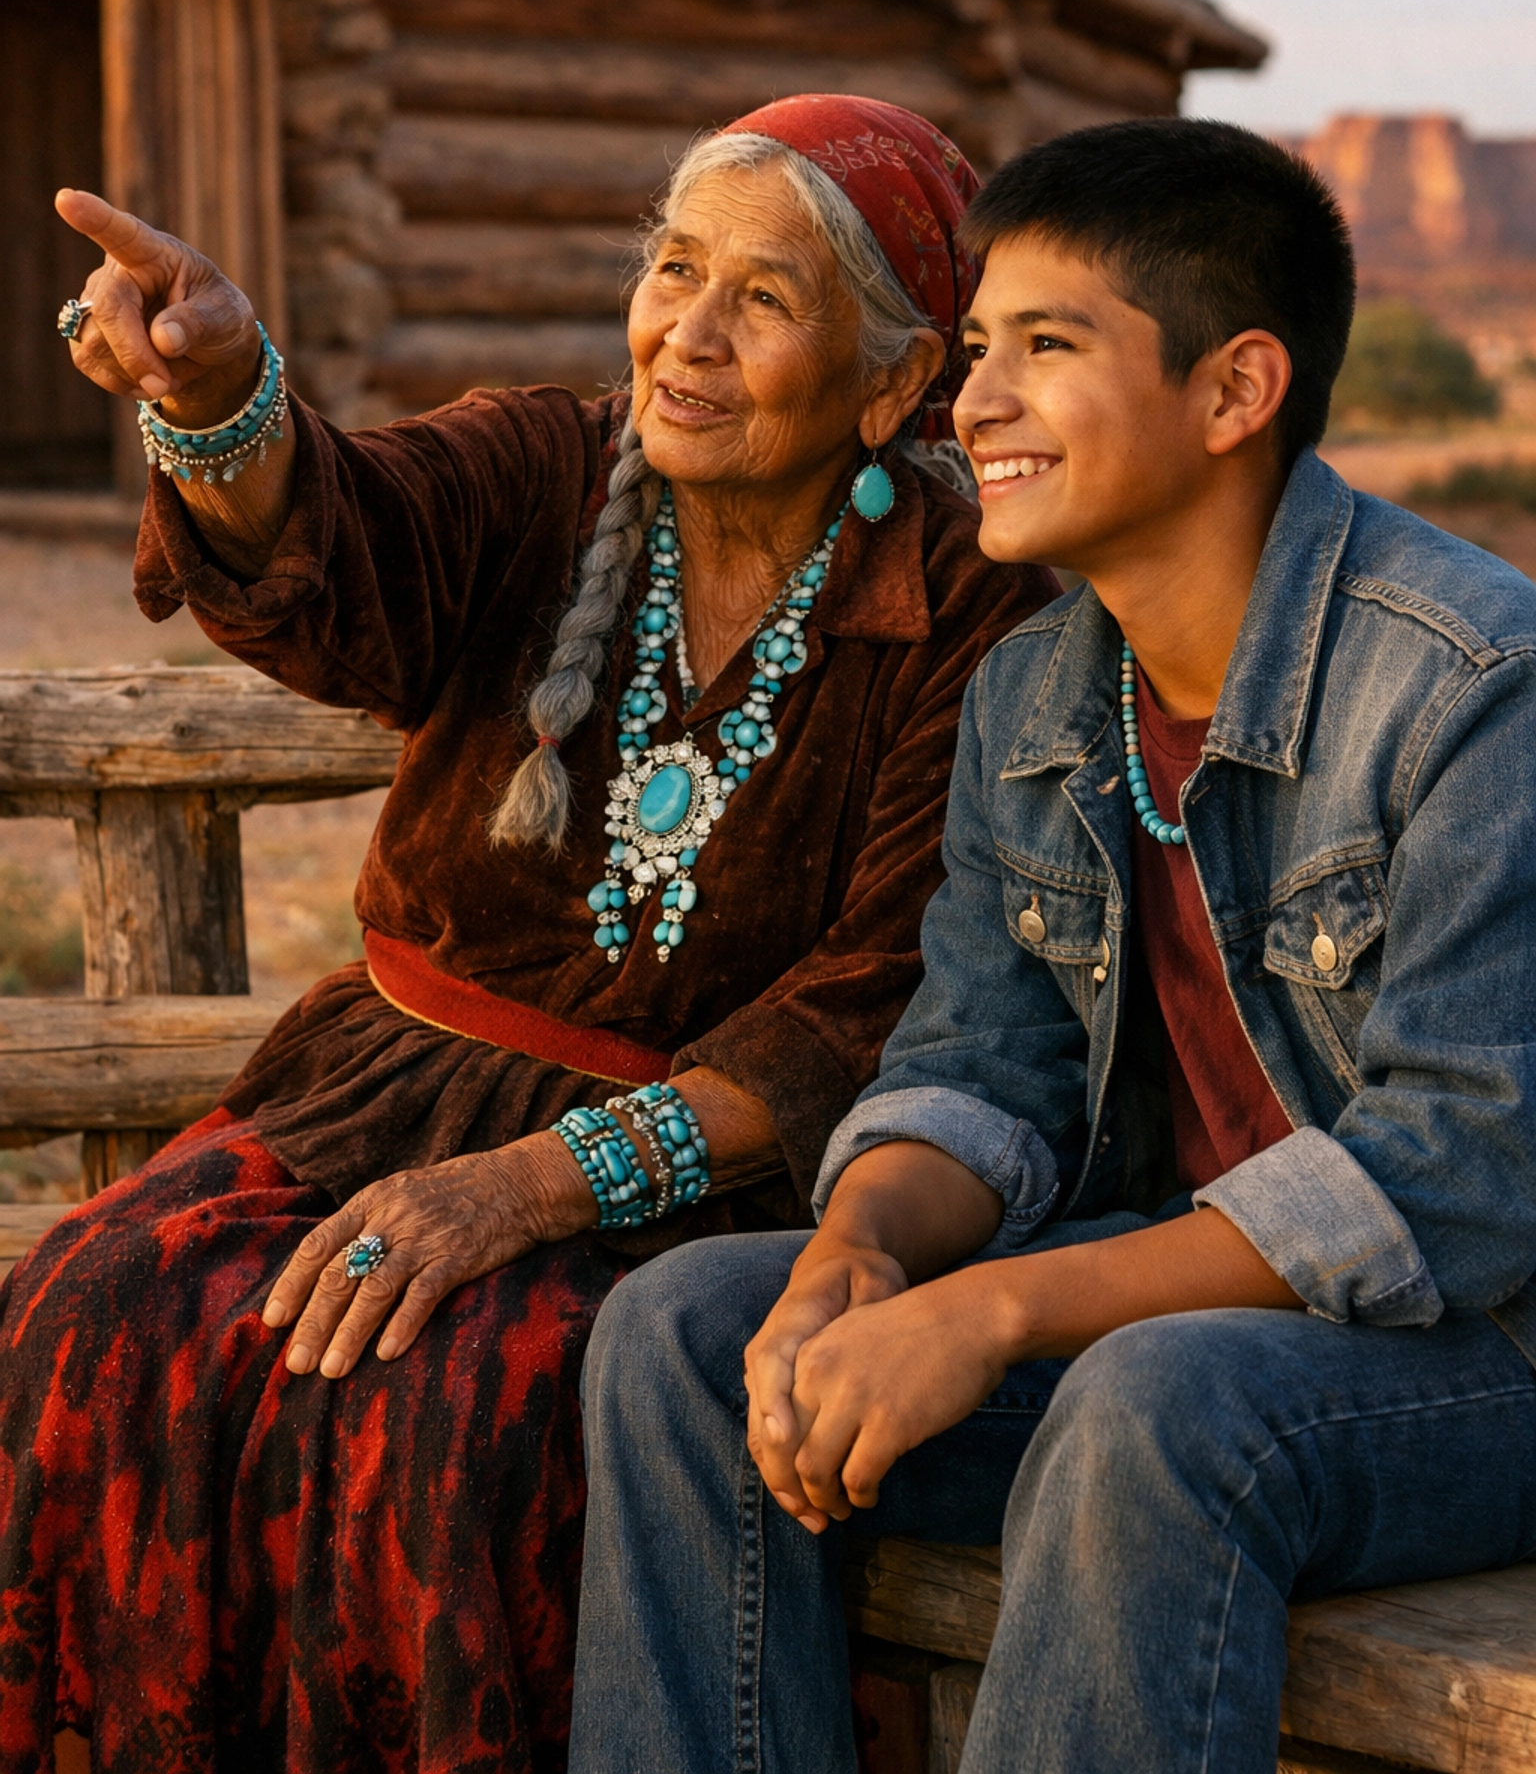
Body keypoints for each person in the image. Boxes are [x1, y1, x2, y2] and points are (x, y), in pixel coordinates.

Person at [0, 96, 1057, 1774]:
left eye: (764, 301)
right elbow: (344, 530)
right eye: (672, 268)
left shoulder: (979, 608)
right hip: (373, 1109)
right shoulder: (548, 466)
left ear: (897, 381)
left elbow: (874, 1009)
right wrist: (215, 399)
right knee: (93, 1303)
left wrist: (523, 1192)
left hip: (694, 1179)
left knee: (456, 1416)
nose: (686, 337)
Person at [570, 118, 1536, 1774]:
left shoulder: (1468, 686)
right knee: (692, 1342)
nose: (977, 404)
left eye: (1049, 347)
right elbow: (978, 1063)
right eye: (975, 351)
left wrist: (1000, 1311)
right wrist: (860, 1253)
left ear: (1236, 392)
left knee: (1153, 1406)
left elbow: (1460, 1174)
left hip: (1485, 1354)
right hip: (1198, 1322)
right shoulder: (1035, 691)